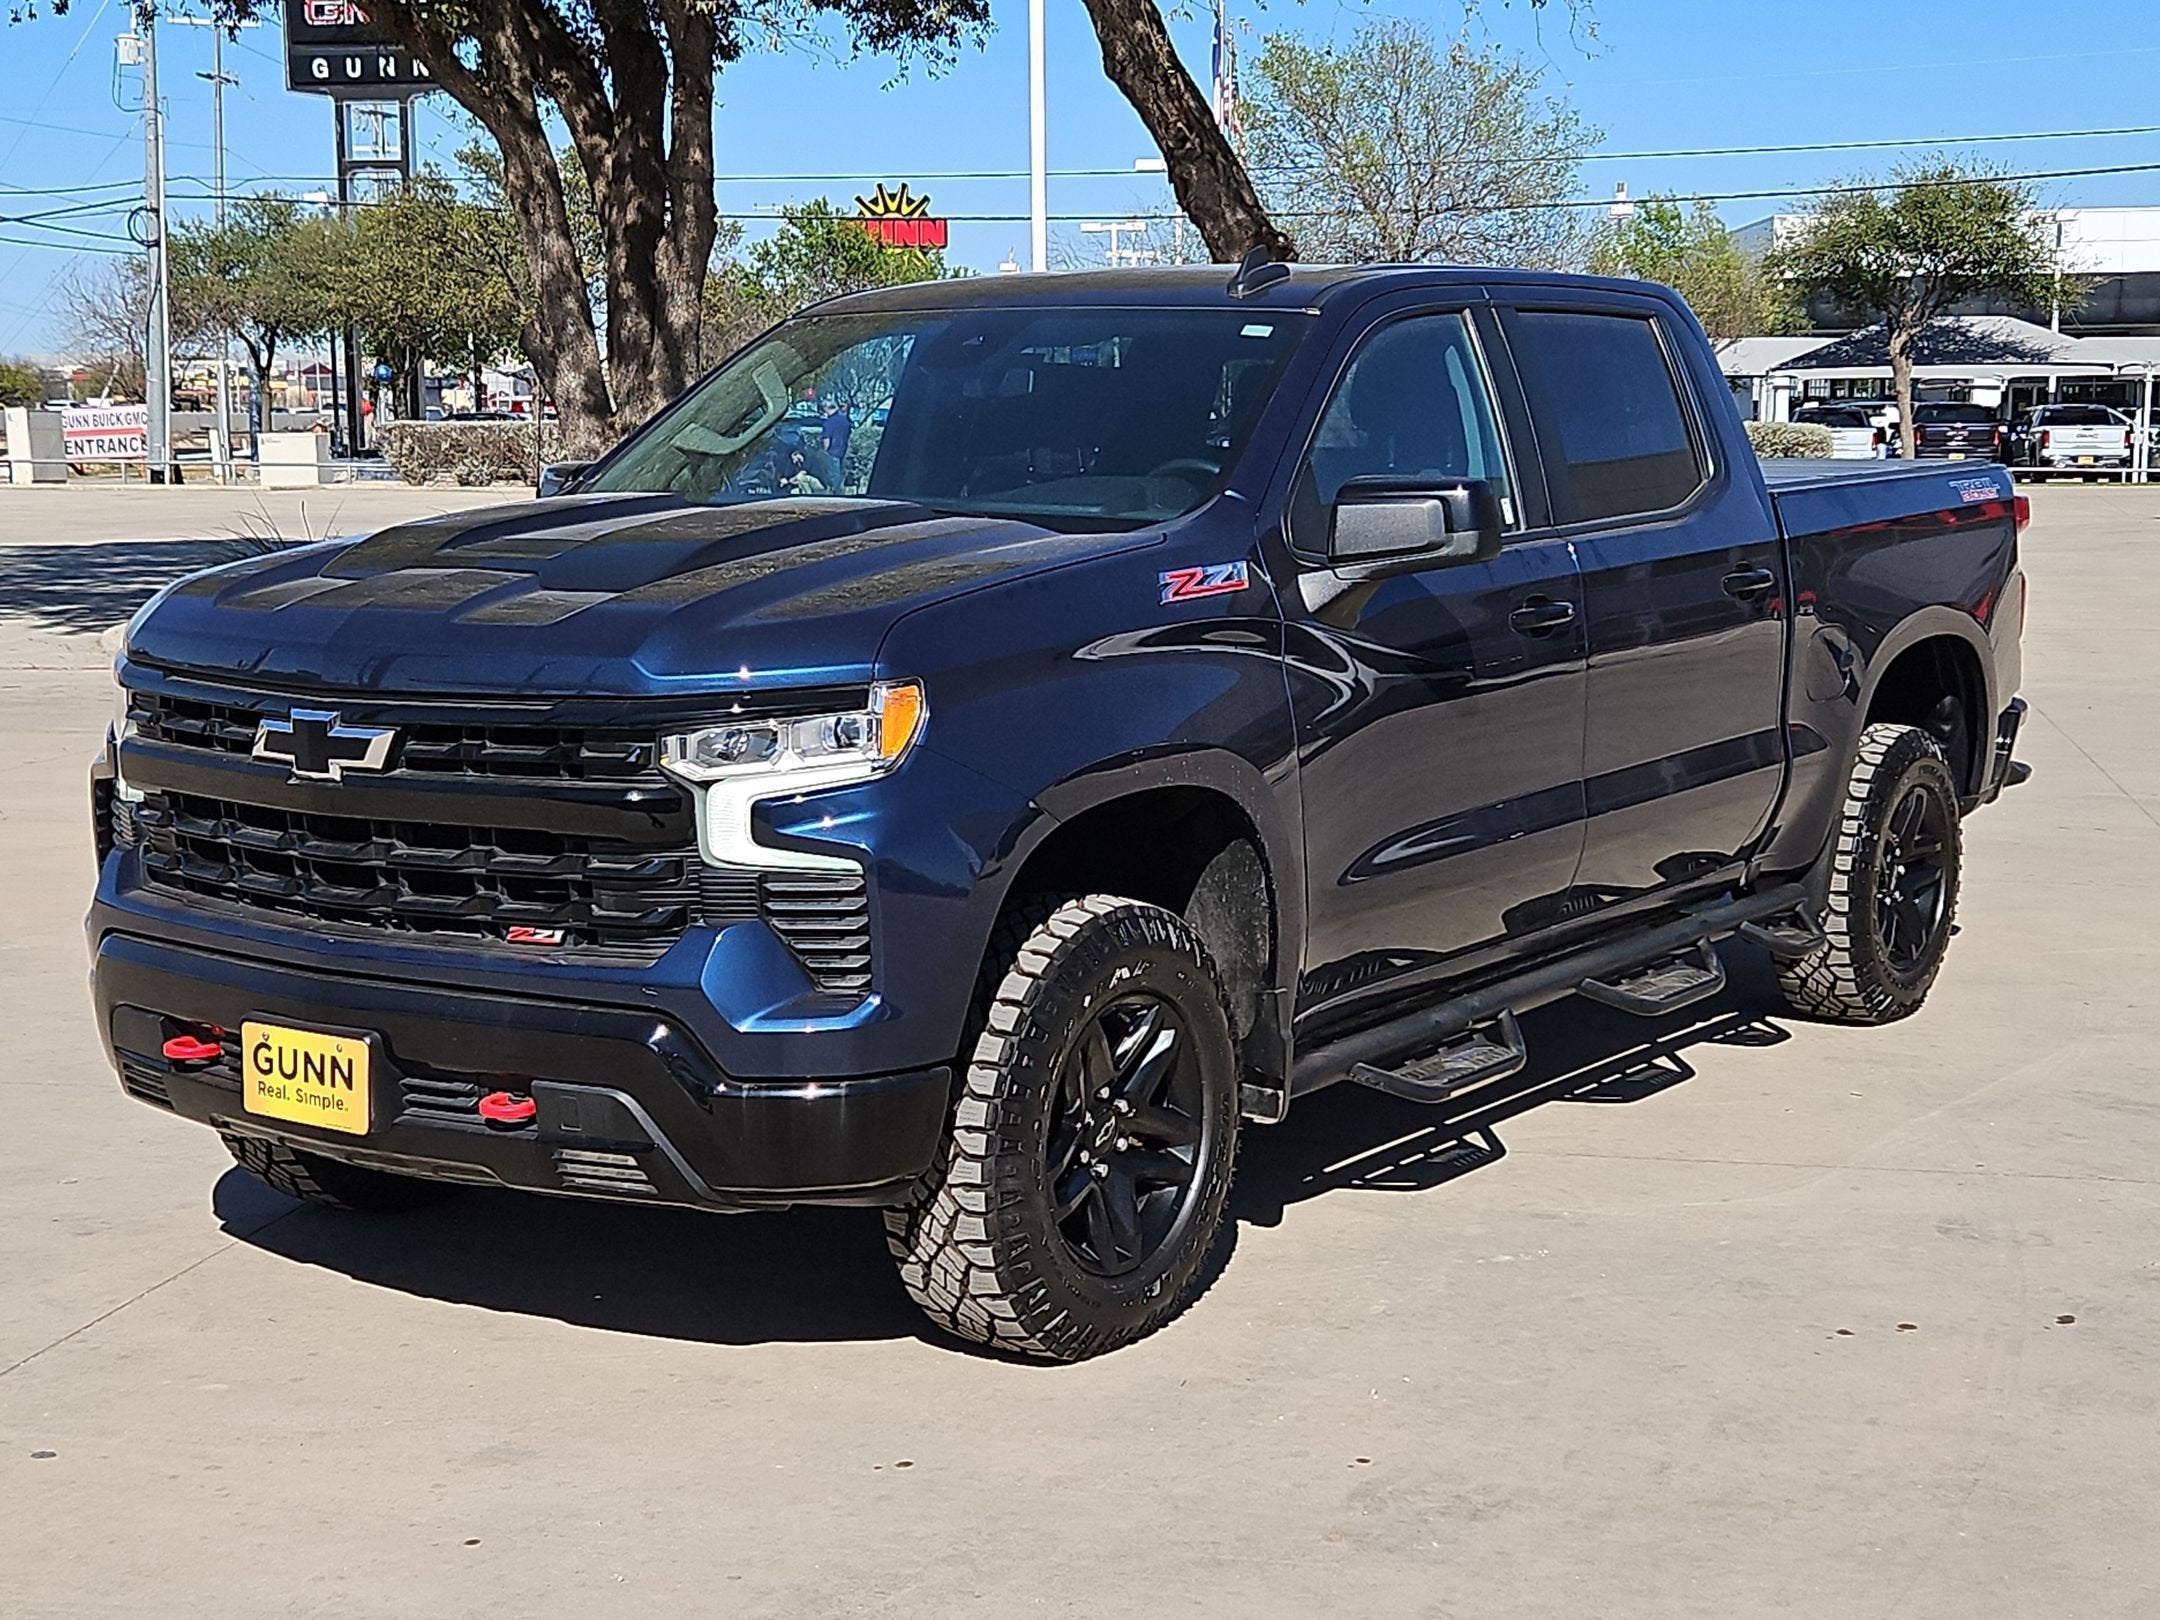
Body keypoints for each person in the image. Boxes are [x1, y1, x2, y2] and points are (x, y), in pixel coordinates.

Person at [821, 400, 853, 471]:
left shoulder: (829, 423)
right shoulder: (845, 420)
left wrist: (824, 452)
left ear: (826, 408)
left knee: (832, 476)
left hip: (832, 453)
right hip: (844, 452)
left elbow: (826, 440)